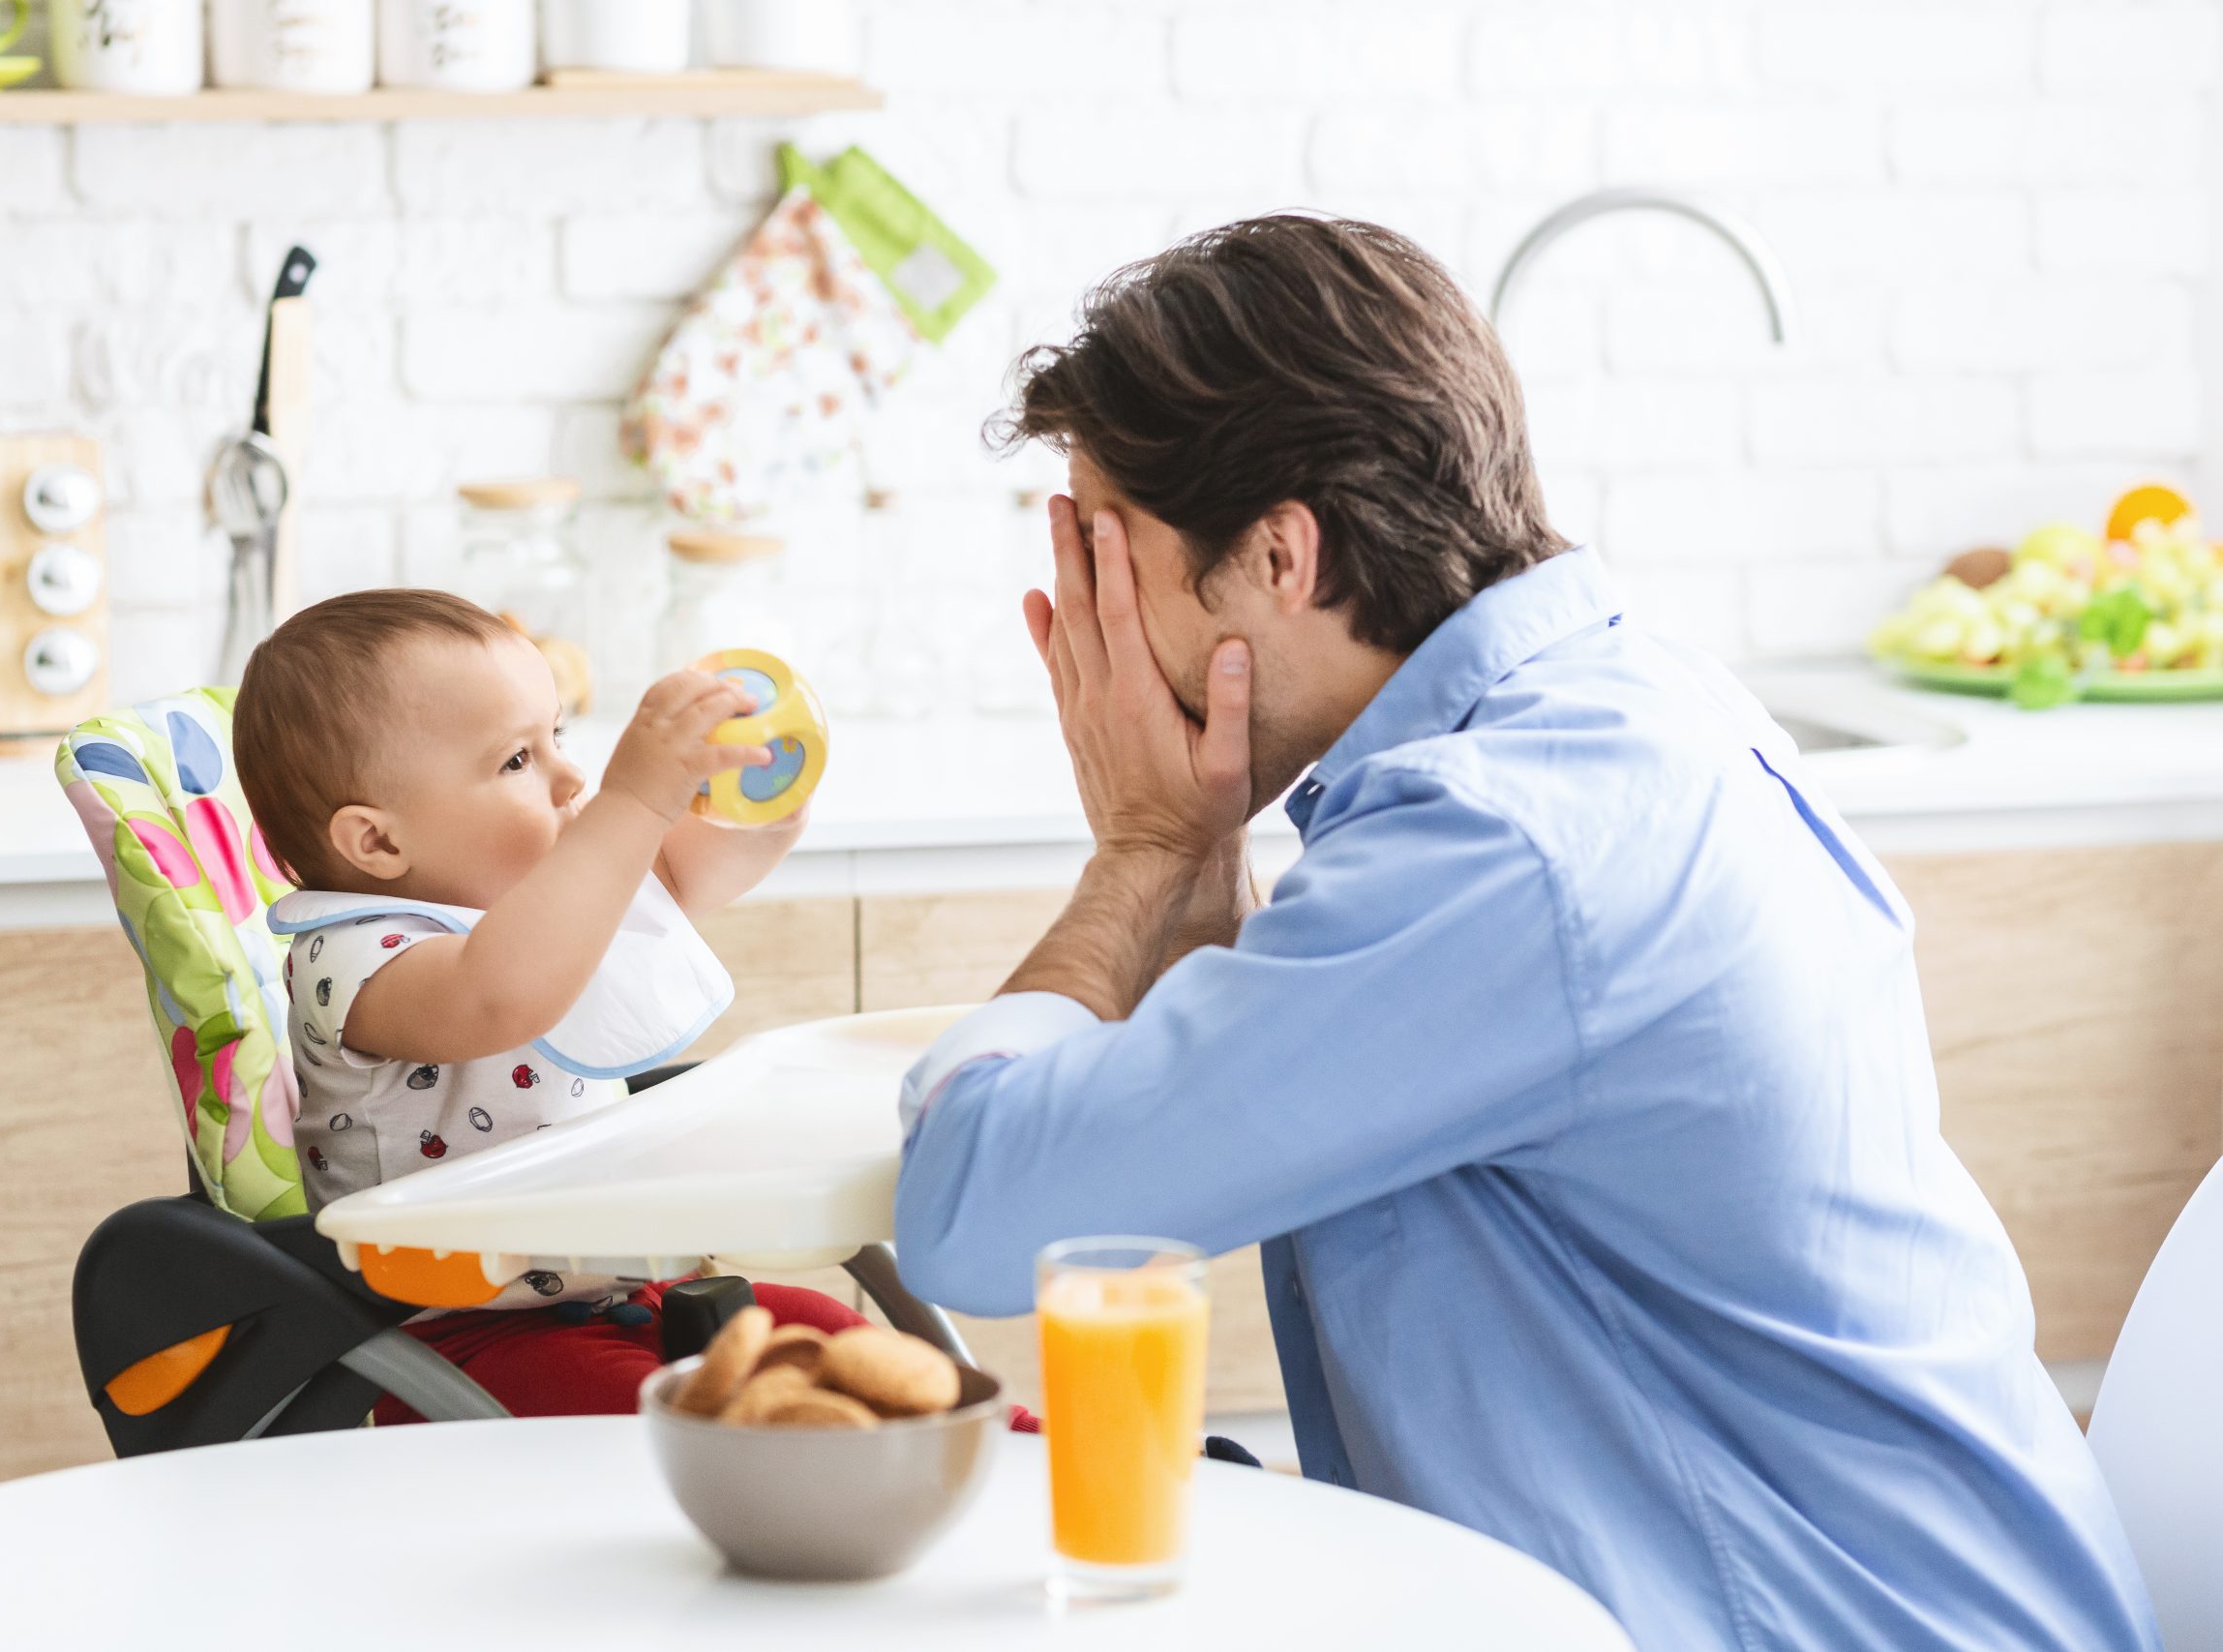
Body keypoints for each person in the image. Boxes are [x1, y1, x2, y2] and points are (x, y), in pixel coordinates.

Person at [891, 217, 2158, 1650]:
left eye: (1112, 564)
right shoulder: (1598, 717)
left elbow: (979, 1216)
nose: (1091, 632)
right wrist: (1186, 870)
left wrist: (1138, 849)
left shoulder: (1508, 842)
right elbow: (1193, 1139)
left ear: (1280, 557)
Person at [235, 590, 862, 1421]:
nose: (571, 778)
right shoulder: (351, 959)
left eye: (555, 736)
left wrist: (758, 795)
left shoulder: (535, 898)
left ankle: (1012, 1451)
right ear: (379, 842)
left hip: (629, 1291)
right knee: (714, 1430)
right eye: (516, 761)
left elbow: (677, 877)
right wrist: (629, 805)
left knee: (840, 1344)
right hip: (461, 1340)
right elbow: (498, 995)